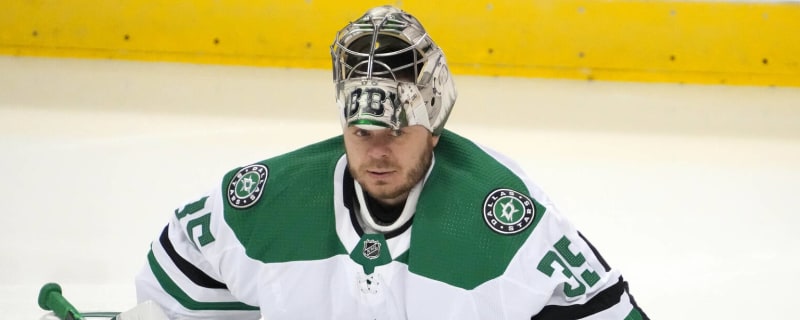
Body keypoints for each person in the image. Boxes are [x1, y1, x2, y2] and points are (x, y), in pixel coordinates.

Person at [135, 5, 648, 320]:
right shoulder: (261, 204)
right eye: (361, 133)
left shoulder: (507, 227)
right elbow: (175, 292)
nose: (377, 153)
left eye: (398, 132)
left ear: (435, 124)